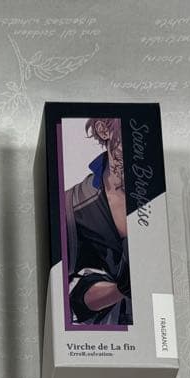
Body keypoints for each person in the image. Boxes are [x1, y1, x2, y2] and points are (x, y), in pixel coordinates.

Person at [65, 117, 132, 325]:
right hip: (112, 335)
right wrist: (120, 289)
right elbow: (72, 297)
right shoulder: (73, 206)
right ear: (104, 130)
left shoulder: (159, 194)